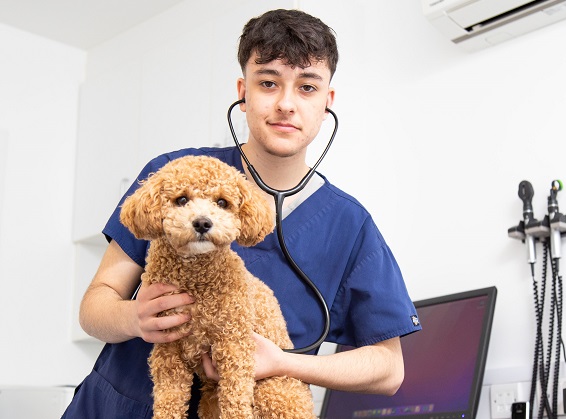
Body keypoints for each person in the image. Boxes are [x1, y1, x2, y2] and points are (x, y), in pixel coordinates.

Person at [63, 8, 421, 418]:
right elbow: (94, 308)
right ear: (243, 90)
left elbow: (389, 369)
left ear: (327, 103)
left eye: (307, 87)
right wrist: (132, 317)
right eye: (268, 83)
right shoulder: (172, 175)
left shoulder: (349, 225)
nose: (286, 103)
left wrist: (282, 362)